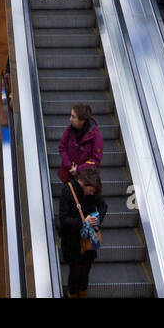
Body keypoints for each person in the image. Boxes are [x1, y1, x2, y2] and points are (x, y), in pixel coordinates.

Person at [58, 166, 106, 299]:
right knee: (75, 272)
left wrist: (97, 219)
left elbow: (103, 205)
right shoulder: (67, 190)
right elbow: (63, 219)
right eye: (90, 190)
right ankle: (72, 294)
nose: (92, 194)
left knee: (85, 271)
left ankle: (83, 294)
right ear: (84, 184)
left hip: (88, 240)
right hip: (71, 241)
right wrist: (83, 221)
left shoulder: (93, 190)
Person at [59, 104, 103, 180]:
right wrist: (69, 165)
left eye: (73, 117)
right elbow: (62, 148)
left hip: (86, 180)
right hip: (68, 174)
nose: (70, 119)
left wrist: (78, 169)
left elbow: (96, 160)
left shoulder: (96, 136)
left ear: (82, 120)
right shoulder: (69, 130)